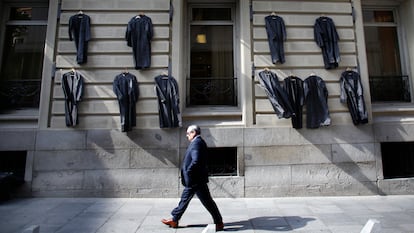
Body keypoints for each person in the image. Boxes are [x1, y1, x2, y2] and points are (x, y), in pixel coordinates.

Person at [162, 125, 224, 231]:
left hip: (195, 179)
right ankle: (218, 222)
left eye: (188, 133)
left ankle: (175, 219)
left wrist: (189, 172)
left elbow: (196, 161)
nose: (187, 136)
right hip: (197, 179)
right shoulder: (198, 142)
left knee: (187, 199)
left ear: (193, 133)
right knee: (206, 201)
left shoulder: (197, 143)